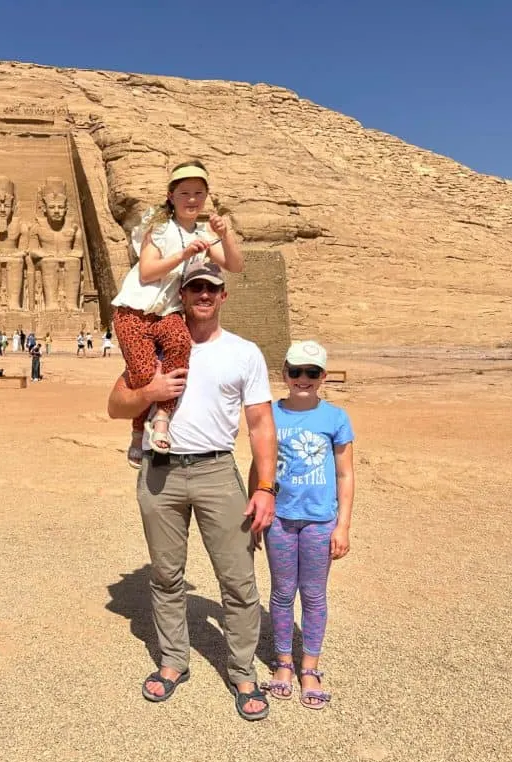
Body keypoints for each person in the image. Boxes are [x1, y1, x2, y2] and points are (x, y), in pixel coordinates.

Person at [107, 260, 277, 721]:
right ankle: (173, 660)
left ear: (223, 296)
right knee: (165, 575)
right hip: (160, 473)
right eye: (195, 287)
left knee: (238, 579)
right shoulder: (157, 345)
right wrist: (149, 391)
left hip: (217, 471)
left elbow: (261, 425)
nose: (203, 294)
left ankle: (242, 671)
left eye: (211, 288)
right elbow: (114, 406)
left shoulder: (243, 353)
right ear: (182, 295)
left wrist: (265, 486)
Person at [110, 160, 244, 469]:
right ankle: (135, 432)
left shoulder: (203, 234)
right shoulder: (157, 228)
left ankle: (162, 419)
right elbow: (146, 272)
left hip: (167, 312)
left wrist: (225, 236)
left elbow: (235, 266)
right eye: (185, 193)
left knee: (180, 346)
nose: (193, 199)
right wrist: (183, 255)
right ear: (171, 196)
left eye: (199, 192)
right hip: (135, 311)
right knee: (146, 375)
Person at [254, 341, 355, 710]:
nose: (303, 379)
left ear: (322, 377)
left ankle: (309, 668)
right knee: (282, 593)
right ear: (284, 374)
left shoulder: (336, 417)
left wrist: (343, 526)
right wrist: (256, 510)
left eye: (311, 373)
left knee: (313, 595)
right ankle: (283, 663)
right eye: (296, 371)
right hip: (279, 518)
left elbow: (345, 474)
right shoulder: (269, 415)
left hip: (319, 521)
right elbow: (259, 466)